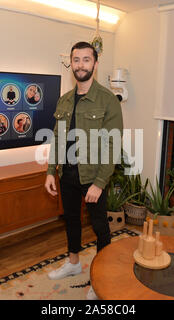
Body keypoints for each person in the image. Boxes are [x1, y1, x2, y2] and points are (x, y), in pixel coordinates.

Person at [44, 41, 123, 300]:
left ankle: (101, 279)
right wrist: (49, 172)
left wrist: (100, 183)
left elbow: (113, 145)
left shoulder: (108, 100)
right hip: (67, 173)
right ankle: (74, 262)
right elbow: (57, 138)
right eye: (76, 60)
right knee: (72, 220)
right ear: (72, 64)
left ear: (95, 64)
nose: (80, 65)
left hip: (94, 177)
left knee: (100, 227)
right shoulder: (65, 100)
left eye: (86, 60)